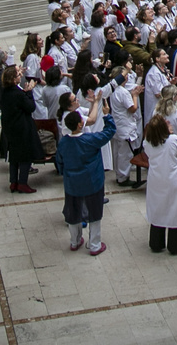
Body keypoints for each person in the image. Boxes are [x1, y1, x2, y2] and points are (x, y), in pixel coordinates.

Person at [59, 95, 117, 255]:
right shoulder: (90, 139)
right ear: (80, 125)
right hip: (92, 182)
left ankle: (75, 241)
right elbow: (109, 132)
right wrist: (106, 115)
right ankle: (95, 245)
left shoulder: (63, 142)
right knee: (95, 213)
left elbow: (60, 160)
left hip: (72, 183)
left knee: (74, 213)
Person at [144, 113, 177, 254]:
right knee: (174, 211)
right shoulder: (173, 140)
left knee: (158, 209)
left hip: (156, 180)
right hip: (172, 180)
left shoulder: (147, 142)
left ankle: (156, 242)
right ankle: (174, 245)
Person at [0, 65, 42, 193]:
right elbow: (30, 107)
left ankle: (13, 182)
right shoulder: (18, 94)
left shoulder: (6, 92)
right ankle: (22, 182)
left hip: (10, 127)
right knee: (24, 156)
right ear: (13, 79)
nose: (21, 76)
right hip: (22, 128)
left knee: (14, 156)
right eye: (18, 75)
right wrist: (29, 92)